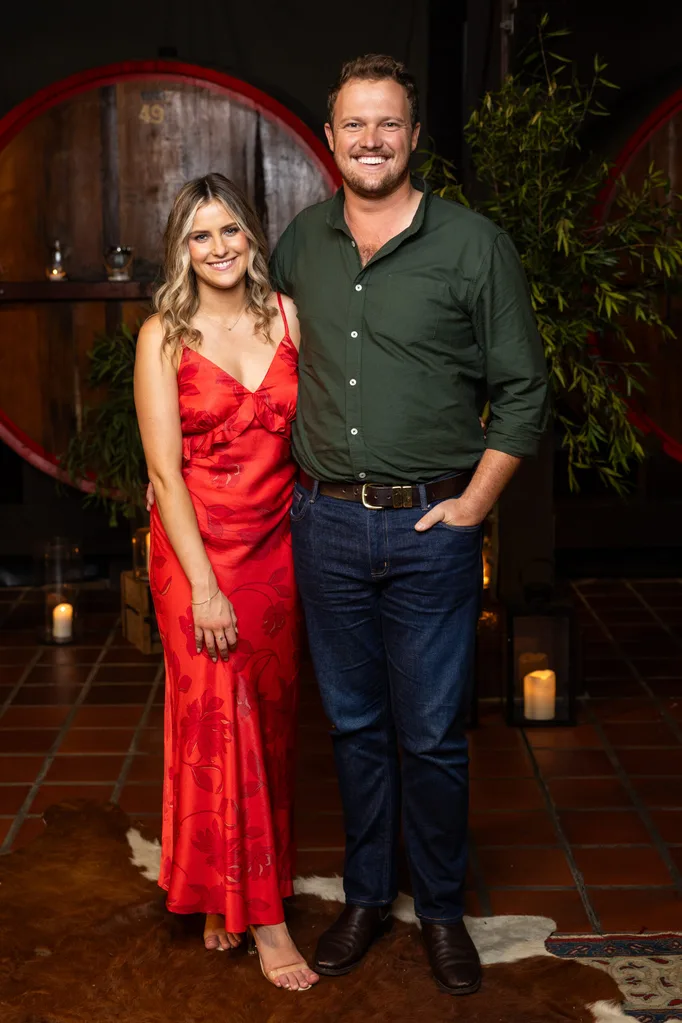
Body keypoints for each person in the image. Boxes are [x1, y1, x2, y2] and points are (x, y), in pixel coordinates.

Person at [269, 54, 549, 995]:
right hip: (326, 526)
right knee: (351, 726)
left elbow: (523, 392)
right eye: (356, 125)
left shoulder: (474, 245)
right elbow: (262, 355)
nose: (372, 140)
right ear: (330, 135)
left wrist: (472, 506)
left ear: (415, 137)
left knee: (429, 733)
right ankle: (363, 895)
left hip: (433, 524)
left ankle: (438, 910)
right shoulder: (300, 241)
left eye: (389, 124)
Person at [134, 173, 319, 993]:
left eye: (230, 232)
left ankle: (221, 889)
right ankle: (269, 920)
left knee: (267, 719)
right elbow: (163, 475)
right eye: (200, 236)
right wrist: (204, 586)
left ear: (252, 237)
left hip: (275, 544)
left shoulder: (286, 317)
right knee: (221, 712)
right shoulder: (161, 337)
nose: (218, 249)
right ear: (181, 248)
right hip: (195, 549)